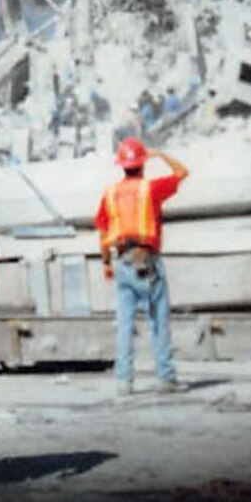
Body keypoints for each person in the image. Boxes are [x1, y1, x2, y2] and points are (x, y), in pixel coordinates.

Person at [95, 139, 191, 398]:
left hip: (123, 262)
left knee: (125, 324)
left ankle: (124, 382)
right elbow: (183, 172)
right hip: (147, 262)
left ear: (122, 165)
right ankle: (166, 377)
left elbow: (103, 231)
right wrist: (160, 154)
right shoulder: (151, 189)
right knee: (158, 320)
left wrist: (105, 263)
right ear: (142, 164)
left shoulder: (110, 194)